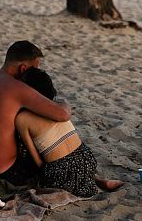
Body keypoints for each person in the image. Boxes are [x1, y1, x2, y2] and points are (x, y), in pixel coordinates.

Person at [0, 41, 72, 185]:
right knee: (43, 125)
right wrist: (63, 102)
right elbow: (62, 115)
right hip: (2, 173)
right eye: (35, 69)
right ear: (23, 68)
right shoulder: (17, 88)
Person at [16, 68, 124, 197]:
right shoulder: (58, 107)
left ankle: (90, 180)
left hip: (62, 172)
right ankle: (96, 180)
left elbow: (37, 161)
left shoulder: (22, 119)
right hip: (86, 159)